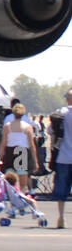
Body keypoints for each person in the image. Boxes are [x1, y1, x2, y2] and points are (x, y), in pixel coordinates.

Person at [0, 103, 38, 193]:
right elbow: (31, 145)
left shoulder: (7, 126)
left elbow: (3, 143)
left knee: (9, 182)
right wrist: (35, 161)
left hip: (10, 152)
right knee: (23, 184)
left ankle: (12, 201)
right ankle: (22, 201)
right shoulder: (27, 127)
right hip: (21, 152)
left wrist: (0, 156)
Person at [54, 89, 72, 228]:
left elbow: (50, 131)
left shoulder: (61, 113)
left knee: (62, 189)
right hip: (20, 150)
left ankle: (61, 217)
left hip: (63, 156)